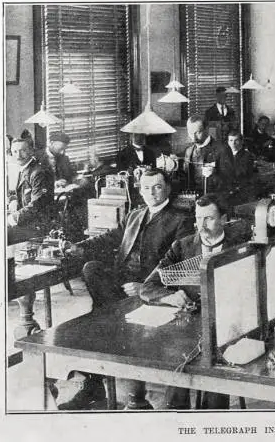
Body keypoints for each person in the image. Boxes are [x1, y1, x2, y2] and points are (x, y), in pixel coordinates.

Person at [58, 169, 194, 410]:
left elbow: (179, 265)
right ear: (139, 191)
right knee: (91, 267)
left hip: (149, 287)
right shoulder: (135, 214)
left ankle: (95, 382)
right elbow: (109, 238)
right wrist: (78, 247)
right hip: (121, 284)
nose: (151, 192)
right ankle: (108, 332)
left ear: (168, 190)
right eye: (146, 187)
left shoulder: (180, 220)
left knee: (99, 323)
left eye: (157, 187)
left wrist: (146, 287)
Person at [141, 194, 251, 409]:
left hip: (226, 322)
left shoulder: (240, 247)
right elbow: (147, 286)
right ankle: (177, 416)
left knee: (215, 367)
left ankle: (213, 418)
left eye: (209, 218)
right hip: (189, 323)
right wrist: (169, 296)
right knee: (179, 359)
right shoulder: (181, 247)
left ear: (223, 219)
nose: (201, 225)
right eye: (198, 218)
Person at [7, 137, 56, 244]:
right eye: (14, 151)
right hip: (27, 222)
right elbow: (19, 193)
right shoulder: (24, 169)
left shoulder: (38, 172)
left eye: (23, 151)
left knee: (0, 233)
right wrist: (13, 200)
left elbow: (37, 205)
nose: (18, 155)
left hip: (38, 226)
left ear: (31, 151)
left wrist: (11, 219)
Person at [183, 114, 227, 193]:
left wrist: (214, 174)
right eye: (190, 133)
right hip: (193, 196)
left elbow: (230, 179)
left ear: (207, 129)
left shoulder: (222, 150)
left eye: (197, 133)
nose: (193, 137)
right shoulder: (188, 151)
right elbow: (185, 176)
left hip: (213, 197)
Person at [218, 130, 256, 202]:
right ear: (228, 142)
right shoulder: (223, 155)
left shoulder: (248, 156)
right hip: (225, 191)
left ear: (242, 141)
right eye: (231, 140)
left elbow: (243, 174)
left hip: (241, 192)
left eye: (236, 140)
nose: (233, 143)